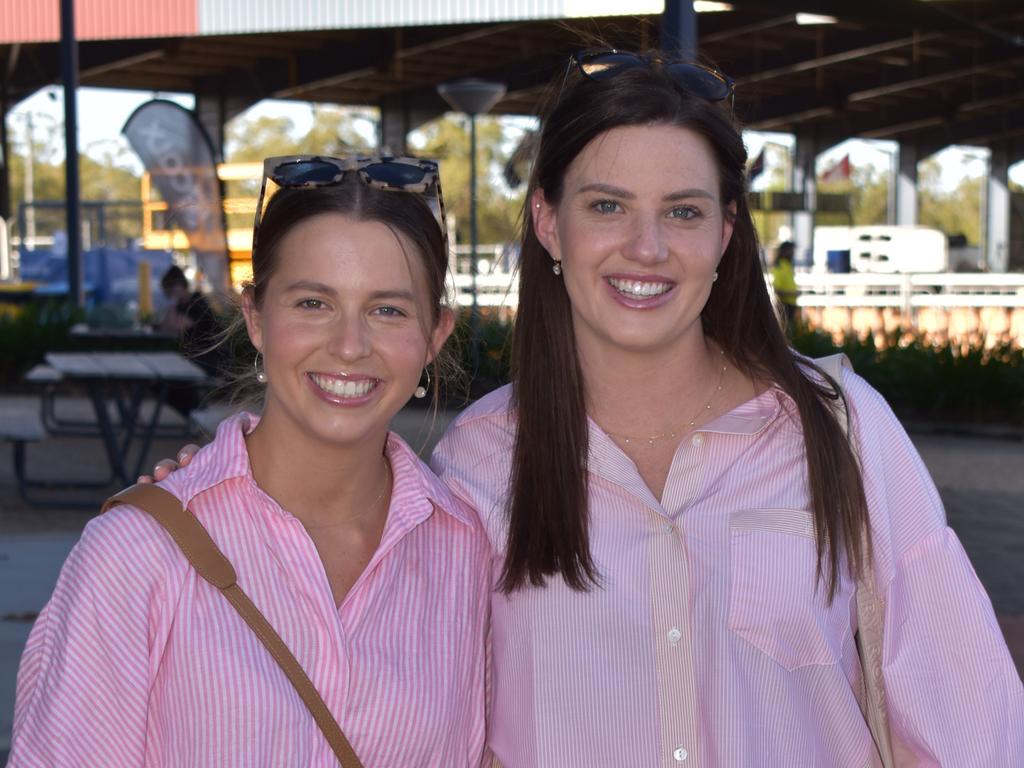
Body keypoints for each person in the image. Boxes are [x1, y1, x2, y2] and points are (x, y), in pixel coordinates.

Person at [146, 53, 1023, 766]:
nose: (646, 248)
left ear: (724, 235)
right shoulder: (479, 462)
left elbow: (971, 724)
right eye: (607, 206)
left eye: (682, 211)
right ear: (549, 224)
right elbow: (357, 626)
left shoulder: (840, 428)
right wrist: (196, 494)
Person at [9, 158, 490, 767]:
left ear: (435, 336)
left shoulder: (469, 550)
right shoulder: (137, 554)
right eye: (313, 303)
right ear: (256, 317)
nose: (349, 345)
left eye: (388, 310)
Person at [158, 264, 227, 416]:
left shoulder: (197, 303)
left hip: (209, 360)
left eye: (169, 292)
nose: (168, 296)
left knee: (167, 383)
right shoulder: (183, 305)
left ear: (178, 287)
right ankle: (193, 413)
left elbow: (174, 327)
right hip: (195, 358)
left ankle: (194, 412)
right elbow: (166, 326)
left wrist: (172, 303)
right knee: (159, 383)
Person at [770, 239, 799, 330]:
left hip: (790, 305)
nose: (793, 253)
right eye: (791, 250)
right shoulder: (780, 266)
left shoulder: (788, 265)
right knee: (785, 331)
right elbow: (776, 289)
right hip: (784, 305)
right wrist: (791, 294)